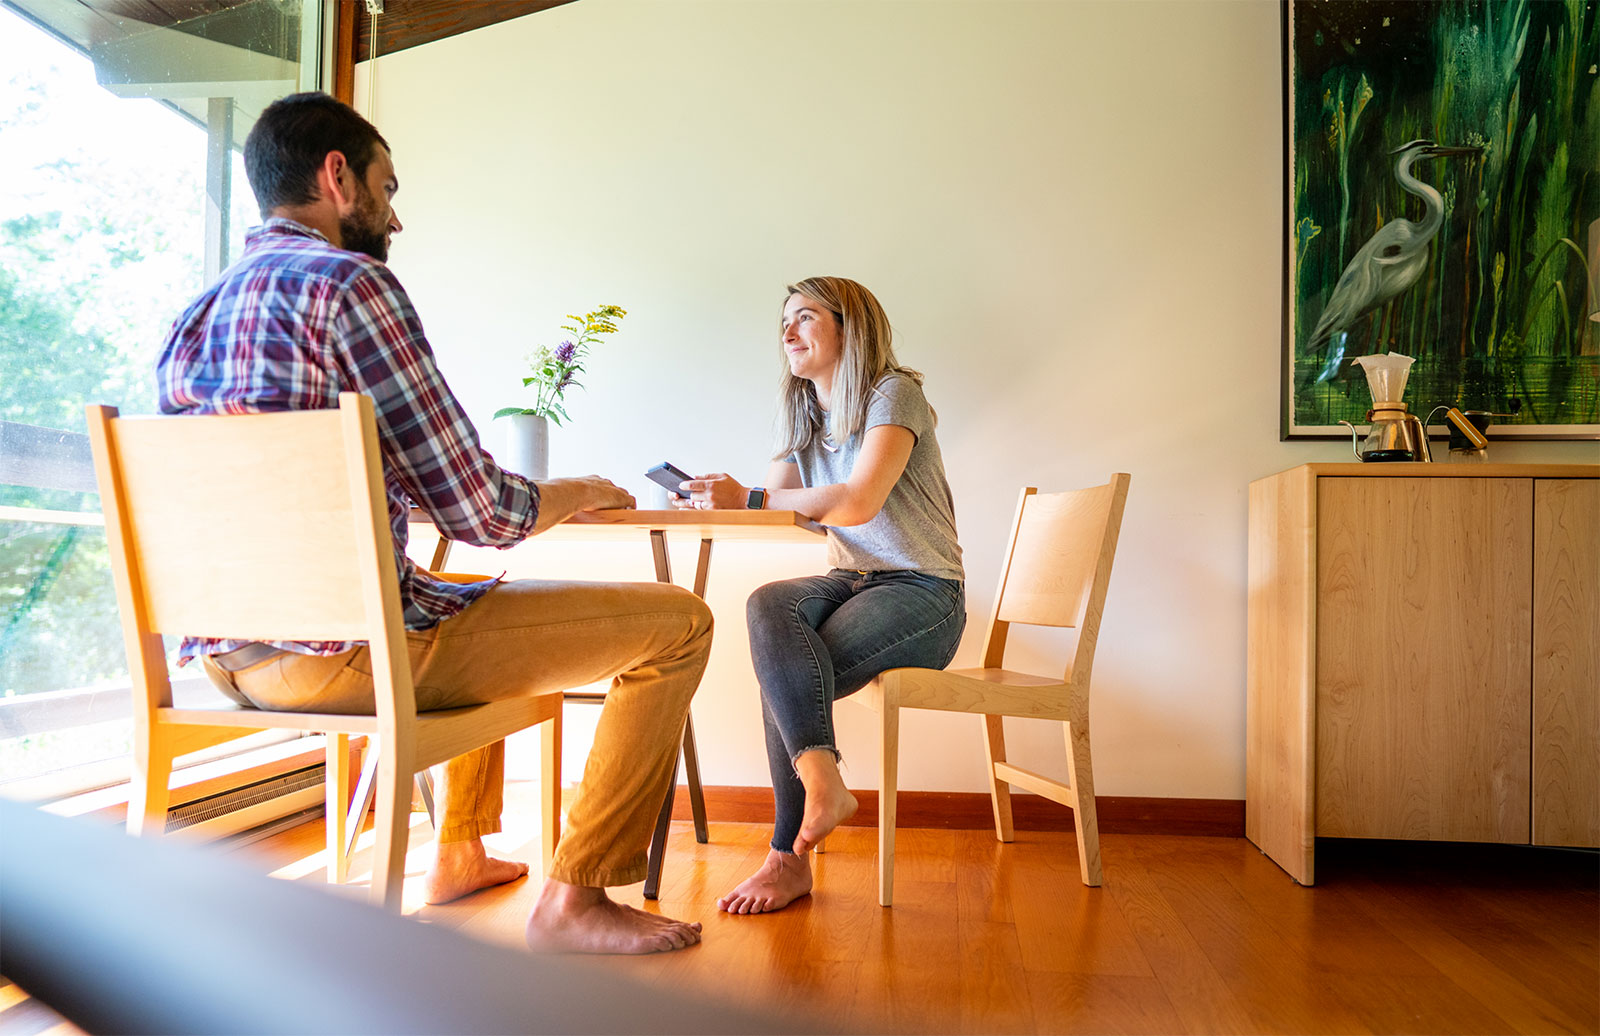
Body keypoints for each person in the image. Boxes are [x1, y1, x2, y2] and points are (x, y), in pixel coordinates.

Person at [156, 92, 711, 955]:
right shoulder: (350, 286)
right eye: (387, 186)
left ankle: (457, 852)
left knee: (455, 593)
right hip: (342, 660)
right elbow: (487, 513)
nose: (396, 216)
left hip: (228, 663)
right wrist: (576, 489)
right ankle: (578, 900)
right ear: (337, 178)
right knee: (680, 622)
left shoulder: (187, 320)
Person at [674, 277, 966, 914]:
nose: (788, 332)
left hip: (924, 590)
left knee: (791, 671)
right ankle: (820, 784)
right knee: (767, 608)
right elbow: (771, 505)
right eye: (784, 321)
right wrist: (708, 494)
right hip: (853, 580)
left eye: (804, 317)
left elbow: (857, 501)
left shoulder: (895, 394)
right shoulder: (811, 415)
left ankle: (786, 857)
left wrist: (751, 497)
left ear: (848, 327)